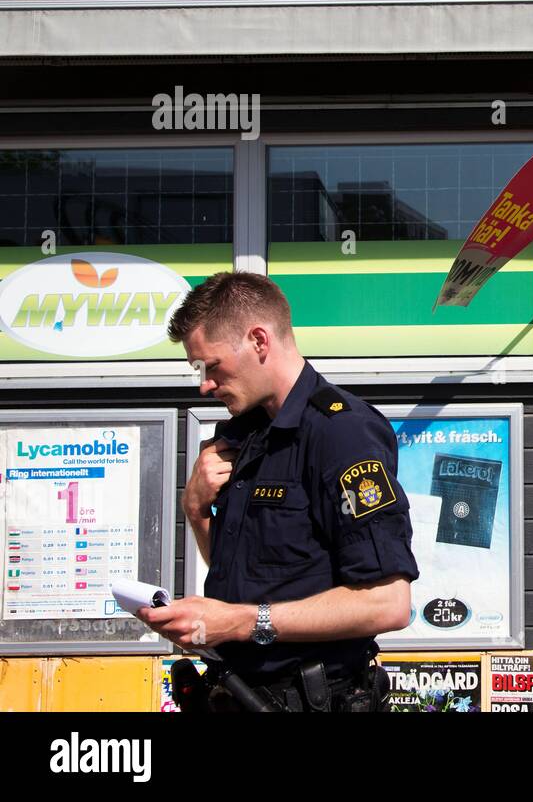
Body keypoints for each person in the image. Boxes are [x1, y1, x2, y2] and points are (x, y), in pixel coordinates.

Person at [138, 272, 419, 711]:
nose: (204, 385)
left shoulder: (340, 433)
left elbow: (388, 603)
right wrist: (195, 511)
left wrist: (243, 622)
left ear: (259, 341)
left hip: (314, 700)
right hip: (242, 695)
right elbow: (260, 572)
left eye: (212, 366)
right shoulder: (246, 436)